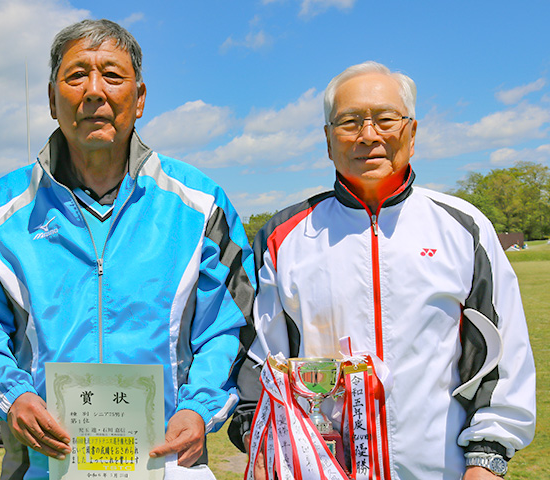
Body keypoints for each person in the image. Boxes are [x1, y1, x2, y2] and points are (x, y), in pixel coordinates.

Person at [0, 19, 255, 480]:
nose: (93, 91)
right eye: (75, 76)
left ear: (140, 97)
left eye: (111, 74)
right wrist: (13, 398)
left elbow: (229, 325)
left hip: (167, 461)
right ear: (51, 99)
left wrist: (200, 410)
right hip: (43, 466)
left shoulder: (200, 205)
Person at [228, 61, 536, 479]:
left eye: (385, 119)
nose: (368, 135)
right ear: (327, 139)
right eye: (350, 122)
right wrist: (261, 441)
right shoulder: (283, 237)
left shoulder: (464, 227)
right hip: (320, 469)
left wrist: (487, 458)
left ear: (411, 131)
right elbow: (259, 358)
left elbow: (503, 354)